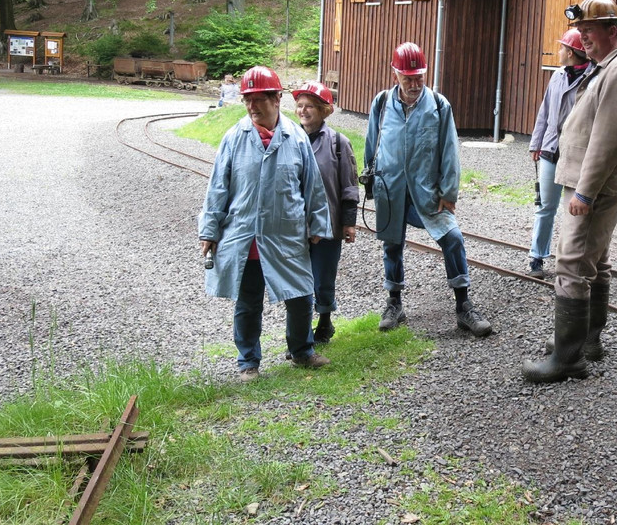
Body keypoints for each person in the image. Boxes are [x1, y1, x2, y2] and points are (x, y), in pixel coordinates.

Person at [522, 0, 617, 383]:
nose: (584, 39)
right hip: (590, 185)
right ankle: (587, 341)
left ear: (613, 32)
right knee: (595, 262)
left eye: (590, 32)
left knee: (573, 264)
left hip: (592, 188)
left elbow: (608, 138)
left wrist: (585, 193)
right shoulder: (607, 67)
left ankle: (567, 358)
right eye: (581, 32)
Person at [199, 66, 333, 382]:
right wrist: (209, 230)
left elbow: (312, 185)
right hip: (246, 239)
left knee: (301, 297)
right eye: (248, 100)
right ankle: (248, 362)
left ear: (277, 99)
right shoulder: (234, 138)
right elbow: (218, 187)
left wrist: (317, 223)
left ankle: (302, 352)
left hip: (286, 235)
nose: (252, 107)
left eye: (259, 99)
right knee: (248, 304)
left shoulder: (295, 137)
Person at [365, 42, 493, 338]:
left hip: (427, 193)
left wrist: (449, 192)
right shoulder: (382, 103)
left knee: (453, 239)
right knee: (392, 245)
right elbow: (373, 144)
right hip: (391, 190)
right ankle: (394, 304)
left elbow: (450, 150)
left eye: (419, 77)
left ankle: (464, 307)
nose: (414, 84)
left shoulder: (438, 105)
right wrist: (372, 184)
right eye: (407, 78)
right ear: (394, 73)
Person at [292, 80, 359, 344]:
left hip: (329, 226)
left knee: (323, 277)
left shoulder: (339, 143)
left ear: (323, 110)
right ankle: (301, 328)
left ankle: (325, 322)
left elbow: (349, 186)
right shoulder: (288, 139)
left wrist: (349, 222)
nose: (303, 111)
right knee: (299, 278)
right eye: (299, 106)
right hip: (295, 226)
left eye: (309, 106)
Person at [526, 28, 592, 278]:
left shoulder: (591, 78)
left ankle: (571, 262)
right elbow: (545, 111)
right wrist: (536, 144)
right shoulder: (557, 76)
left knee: (573, 210)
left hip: (575, 155)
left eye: (563, 47)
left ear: (573, 52)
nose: (559, 51)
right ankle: (537, 256)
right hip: (550, 151)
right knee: (545, 207)